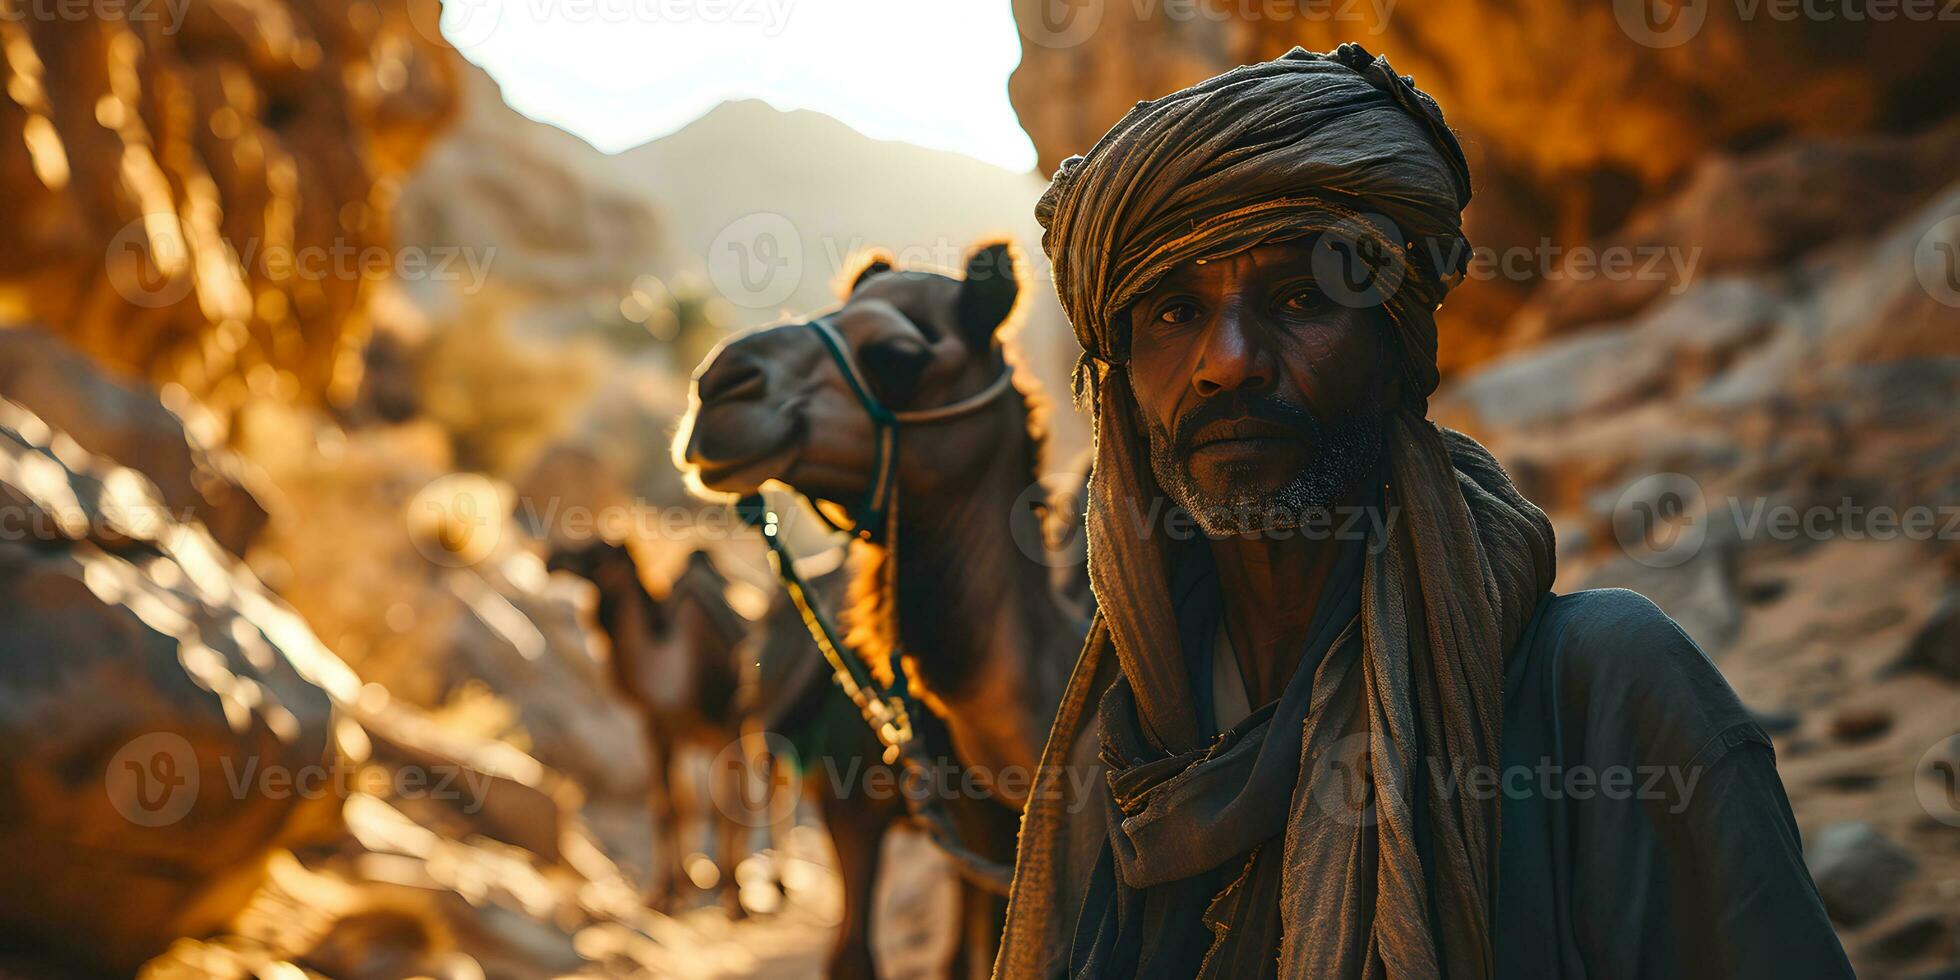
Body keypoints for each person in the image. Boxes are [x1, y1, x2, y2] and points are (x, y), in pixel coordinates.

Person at [994, 44, 1853, 980]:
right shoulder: (1118, 747)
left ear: (1397, 348)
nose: (1229, 360)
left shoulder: (1609, 693)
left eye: (1296, 296)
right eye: (1170, 312)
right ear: (1116, 388)